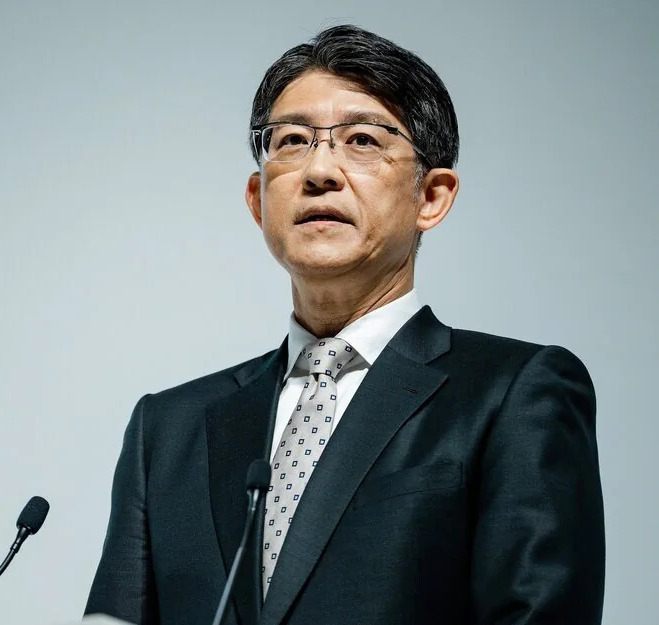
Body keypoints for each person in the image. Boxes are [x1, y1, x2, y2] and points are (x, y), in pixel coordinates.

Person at [84, 24, 605, 625]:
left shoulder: (515, 393)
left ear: (431, 197)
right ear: (257, 199)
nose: (319, 170)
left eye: (361, 140)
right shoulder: (167, 429)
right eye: (292, 140)